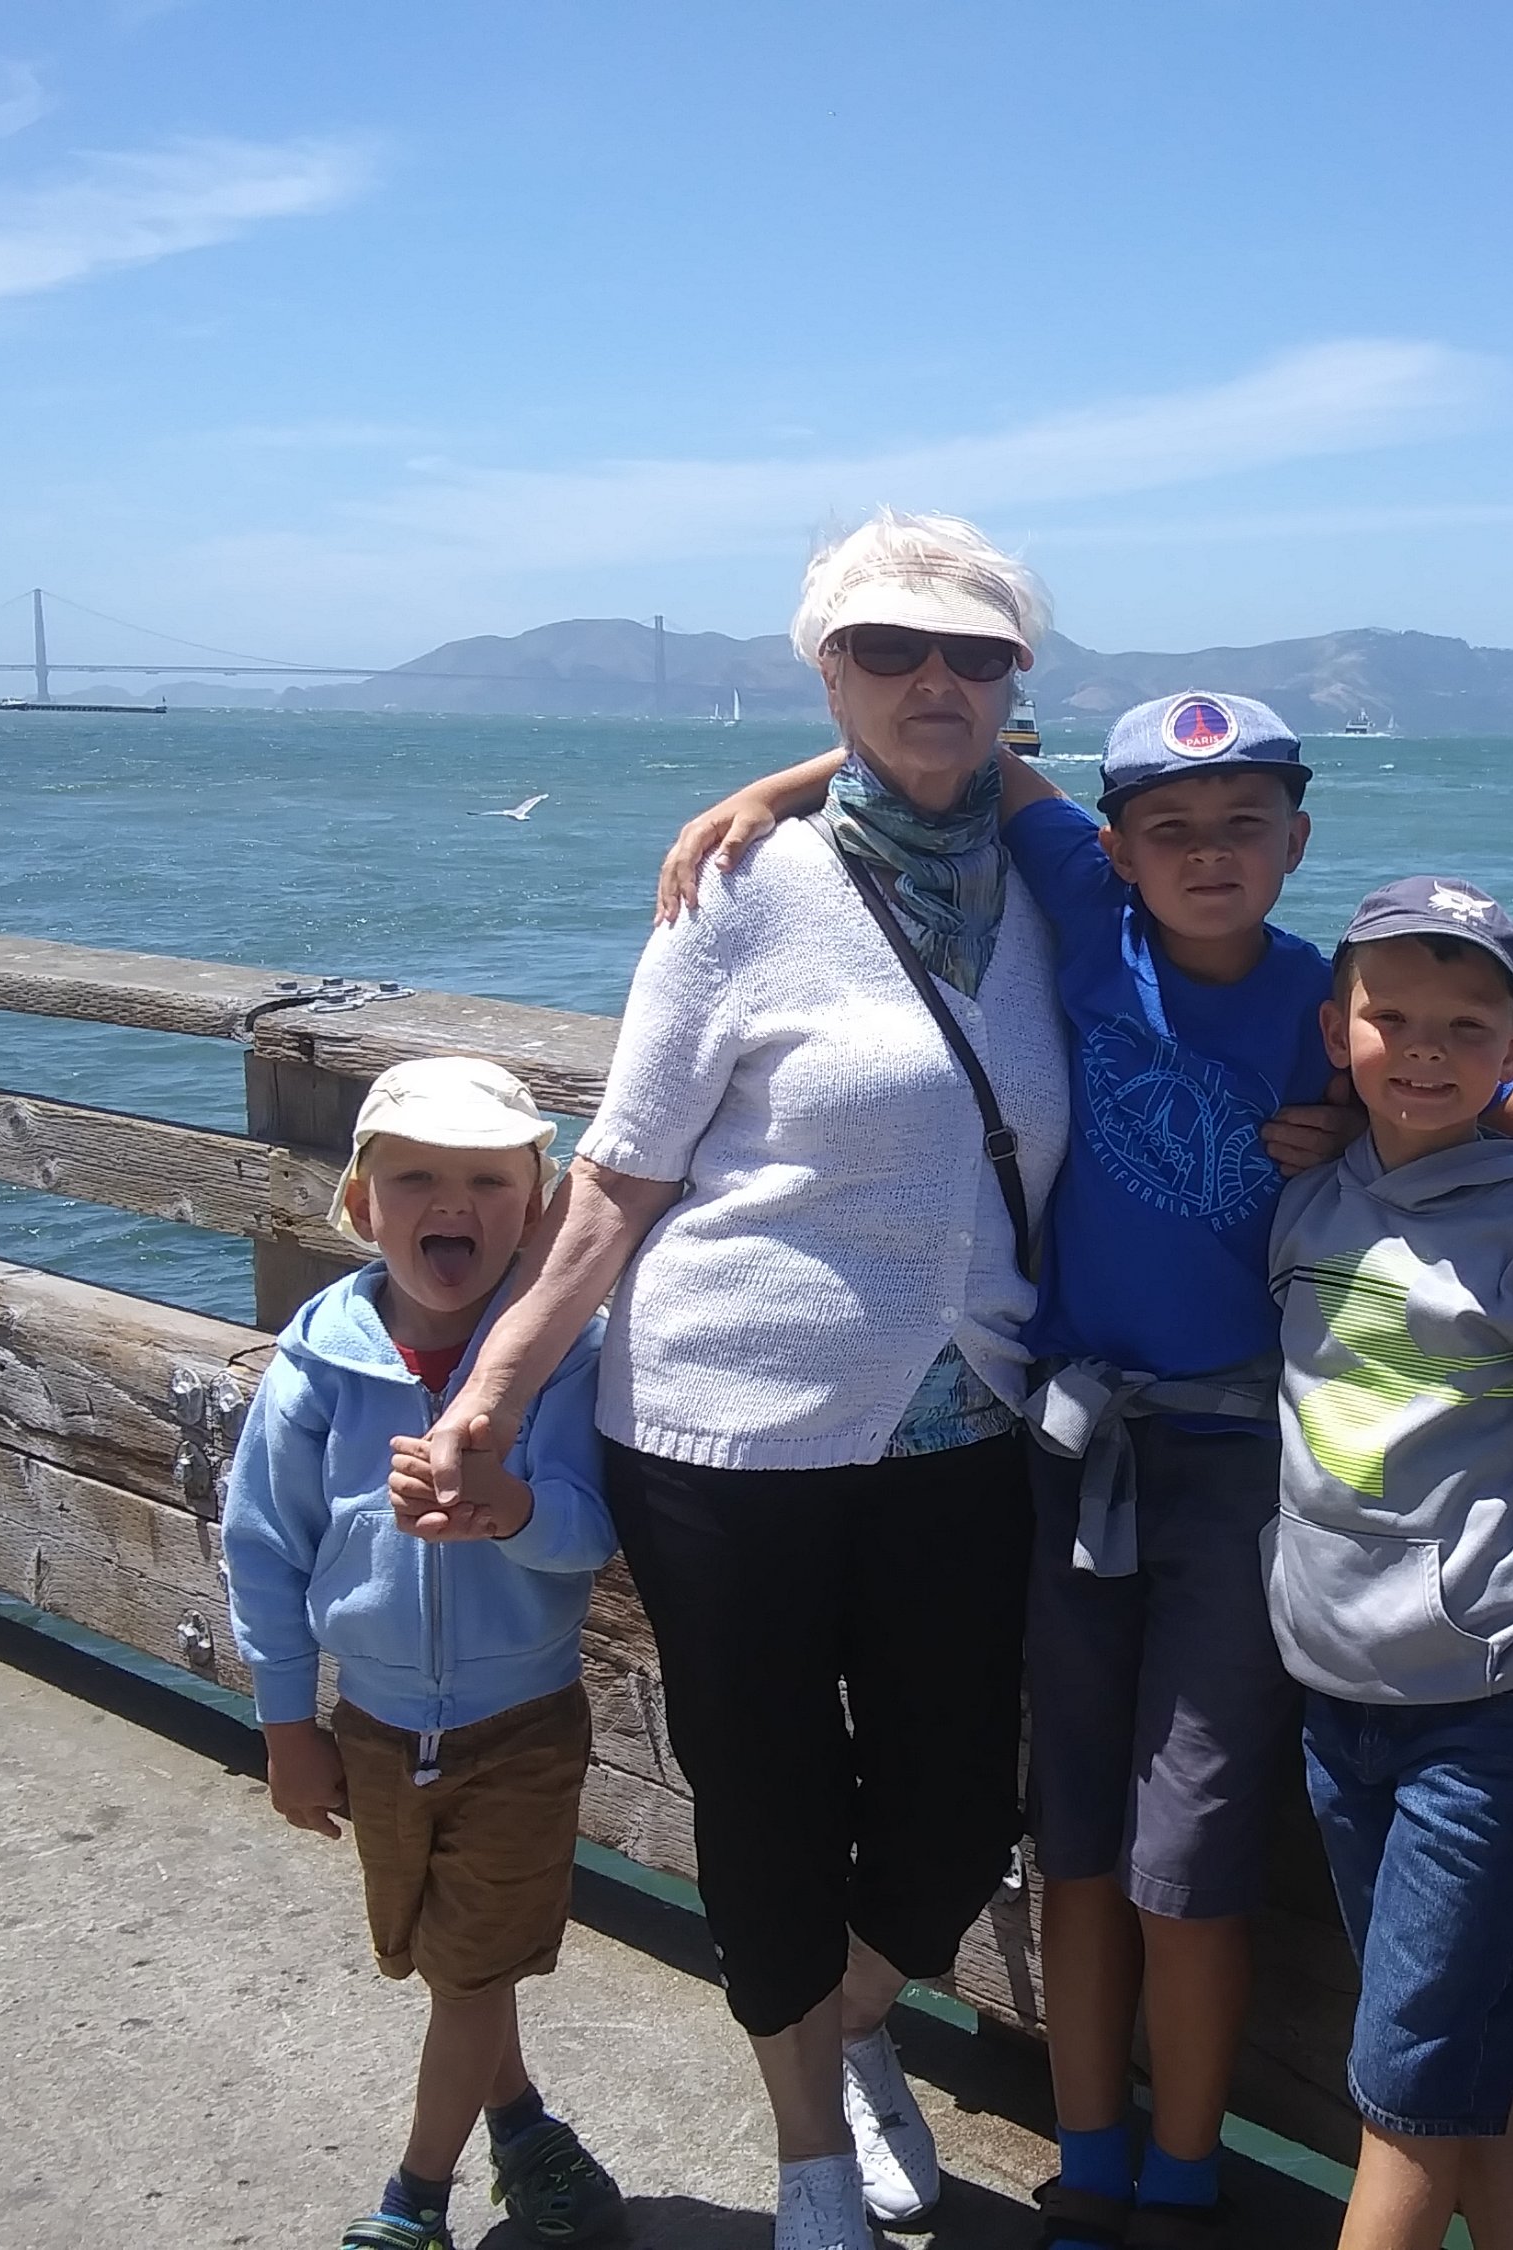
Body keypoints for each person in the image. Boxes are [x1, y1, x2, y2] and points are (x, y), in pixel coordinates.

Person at [656, 696, 1513, 2250]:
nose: (1207, 855)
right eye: (1170, 829)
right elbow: (969, 754)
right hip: (1072, 1453)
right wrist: (773, 789)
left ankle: (1183, 2176)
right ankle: (1091, 2159)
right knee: (1074, 1839)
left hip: (1247, 1477)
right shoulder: (1083, 901)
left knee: (1189, 1854)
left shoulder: (1329, 996)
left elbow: (1486, 1071)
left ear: (1297, 842)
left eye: (1245, 825)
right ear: (1116, 847)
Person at [430, 511, 1070, 2250]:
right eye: (887, 649)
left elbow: (1288, 981)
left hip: (969, 1424)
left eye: (974, 653)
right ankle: (808, 2148)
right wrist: (492, 1394)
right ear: (826, 669)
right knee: (769, 1796)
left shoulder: (1059, 876)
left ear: (1017, 679)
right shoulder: (739, 892)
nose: (934, 680)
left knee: (957, 1811)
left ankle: (849, 2014)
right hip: (723, 1432)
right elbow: (616, 1183)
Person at [1268, 879, 1513, 2250]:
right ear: (1337, 1031)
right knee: (1476, 2060)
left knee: (1410, 2085)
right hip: (1332, 1700)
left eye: (1465, 1026)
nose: (1424, 1050)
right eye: (1391, 1019)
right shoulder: (1307, 1202)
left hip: (1488, 1717)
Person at [220, 1058, 625, 2250]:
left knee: (470, 1974)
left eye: (489, 1182)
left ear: (537, 1213)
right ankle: (528, 2134)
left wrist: (511, 1508)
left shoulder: (570, 1356)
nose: (453, 1203)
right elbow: (263, 1548)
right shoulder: (317, 1361)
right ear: (361, 1205)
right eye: (416, 1180)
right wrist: (287, 1726)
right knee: (446, 1960)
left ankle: (414, 2203)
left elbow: (596, 1530)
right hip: (374, 1725)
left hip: (522, 1727)